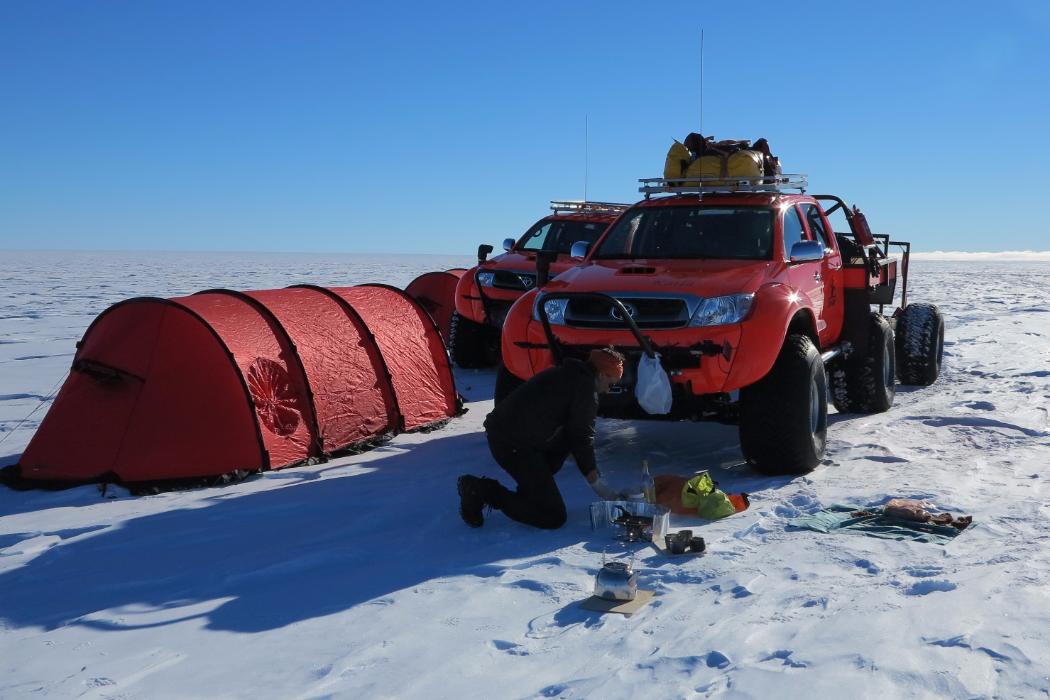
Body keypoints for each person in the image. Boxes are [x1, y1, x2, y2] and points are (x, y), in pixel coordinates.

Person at [457, 347, 626, 529]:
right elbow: (581, 436)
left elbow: (575, 434)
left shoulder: (567, 373)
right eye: (611, 383)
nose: (608, 391)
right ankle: (480, 490)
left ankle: (532, 492)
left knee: (563, 444)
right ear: (601, 374)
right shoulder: (584, 390)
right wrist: (595, 481)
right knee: (553, 516)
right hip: (512, 444)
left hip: (508, 435)